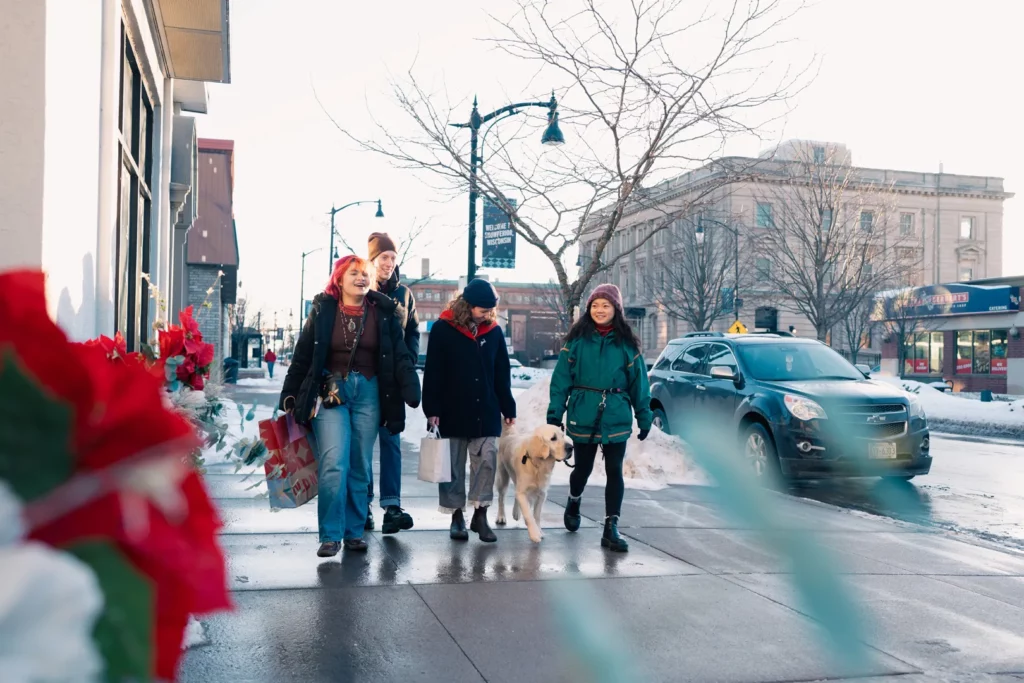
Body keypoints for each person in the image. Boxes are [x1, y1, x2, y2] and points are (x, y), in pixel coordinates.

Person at [279, 255, 421, 557]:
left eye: (365, 273)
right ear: (339, 279)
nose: (361, 277)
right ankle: (330, 535)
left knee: (360, 464)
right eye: (354, 273)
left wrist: (411, 389)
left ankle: (354, 532)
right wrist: (290, 393)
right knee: (334, 462)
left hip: (369, 392)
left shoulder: (383, 312)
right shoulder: (322, 310)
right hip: (331, 392)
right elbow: (303, 354)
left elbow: (400, 356)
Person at [546, 284, 652, 553]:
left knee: (615, 470)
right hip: (584, 412)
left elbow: (640, 383)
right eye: (595, 305)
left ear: (616, 309)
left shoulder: (628, 345)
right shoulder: (576, 342)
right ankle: (574, 499)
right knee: (582, 468)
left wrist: (644, 415)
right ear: (588, 310)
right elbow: (560, 380)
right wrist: (555, 414)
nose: (600, 310)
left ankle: (611, 527)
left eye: (605, 305)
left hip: (616, 411)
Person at [423, 279, 516, 543]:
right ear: (467, 305)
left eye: (490, 309)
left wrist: (508, 406)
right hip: (452, 410)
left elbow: (502, 374)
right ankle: (456, 517)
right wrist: (432, 408)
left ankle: (481, 515)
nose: (487, 314)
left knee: (487, 461)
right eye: (482, 309)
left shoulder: (494, 333)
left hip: (485, 410)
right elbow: (433, 372)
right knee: (452, 467)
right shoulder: (443, 329)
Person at [364, 232, 420, 534]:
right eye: (384, 257)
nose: (389, 263)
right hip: (365, 378)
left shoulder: (404, 294)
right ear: (373, 259)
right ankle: (364, 508)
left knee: (391, 442)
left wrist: (408, 359)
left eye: (393, 258)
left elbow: (412, 329)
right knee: (362, 446)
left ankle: (392, 507)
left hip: (392, 381)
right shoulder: (359, 286)